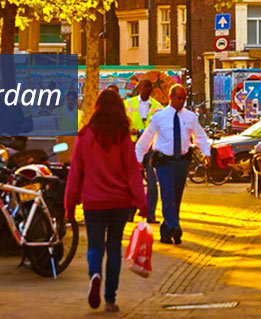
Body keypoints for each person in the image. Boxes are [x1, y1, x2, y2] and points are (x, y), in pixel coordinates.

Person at [64, 90, 148, 312]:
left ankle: (95, 275)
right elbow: (132, 173)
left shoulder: (84, 137)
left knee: (94, 246)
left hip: (93, 202)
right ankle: (110, 299)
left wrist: (69, 205)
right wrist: (142, 203)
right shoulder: (123, 137)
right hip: (120, 203)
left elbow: (75, 173)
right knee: (113, 248)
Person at [135, 84, 211, 244]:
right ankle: (175, 227)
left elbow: (200, 136)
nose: (182, 101)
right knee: (168, 195)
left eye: (184, 98)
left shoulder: (190, 117)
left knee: (176, 197)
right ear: (171, 97)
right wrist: (138, 159)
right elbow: (146, 139)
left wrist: (206, 153)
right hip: (164, 162)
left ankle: (166, 231)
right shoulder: (159, 117)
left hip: (181, 162)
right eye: (179, 98)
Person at [126, 79, 163, 224]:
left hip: (151, 148)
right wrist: (133, 131)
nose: (146, 89)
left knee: (153, 183)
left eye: (149, 87)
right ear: (139, 88)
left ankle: (150, 214)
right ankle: (130, 212)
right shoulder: (128, 104)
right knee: (132, 182)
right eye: (144, 86)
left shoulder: (157, 106)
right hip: (132, 146)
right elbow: (123, 124)